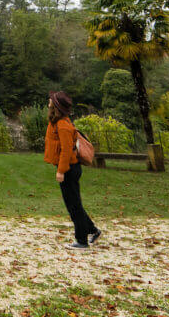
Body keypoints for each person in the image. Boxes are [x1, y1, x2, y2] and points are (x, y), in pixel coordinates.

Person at [43, 91, 101, 250]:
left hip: (69, 169)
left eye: (51, 100)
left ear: (56, 105)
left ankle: (81, 240)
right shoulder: (58, 121)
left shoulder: (62, 125)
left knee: (74, 205)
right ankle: (92, 230)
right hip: (69, 168)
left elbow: (67, 151)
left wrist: (61, 171)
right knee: (74, 203)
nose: (49, 100)